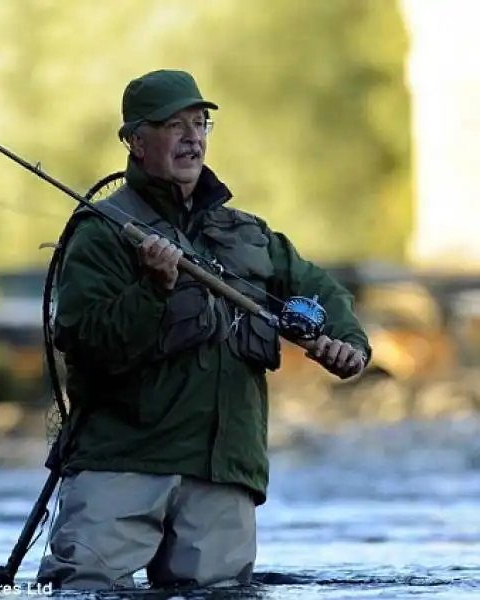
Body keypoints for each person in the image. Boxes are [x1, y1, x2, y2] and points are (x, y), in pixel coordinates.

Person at [36, 69, 371, 590]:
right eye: (175, 125)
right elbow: (86, 339)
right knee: (86, 589)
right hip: (124, 460)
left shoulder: (250, 234)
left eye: (201, 122)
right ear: (136, 141)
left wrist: (347, 342)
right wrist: (152, 288)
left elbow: (320, 288)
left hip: (225, 469)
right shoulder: (101, 231)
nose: (193, 137)